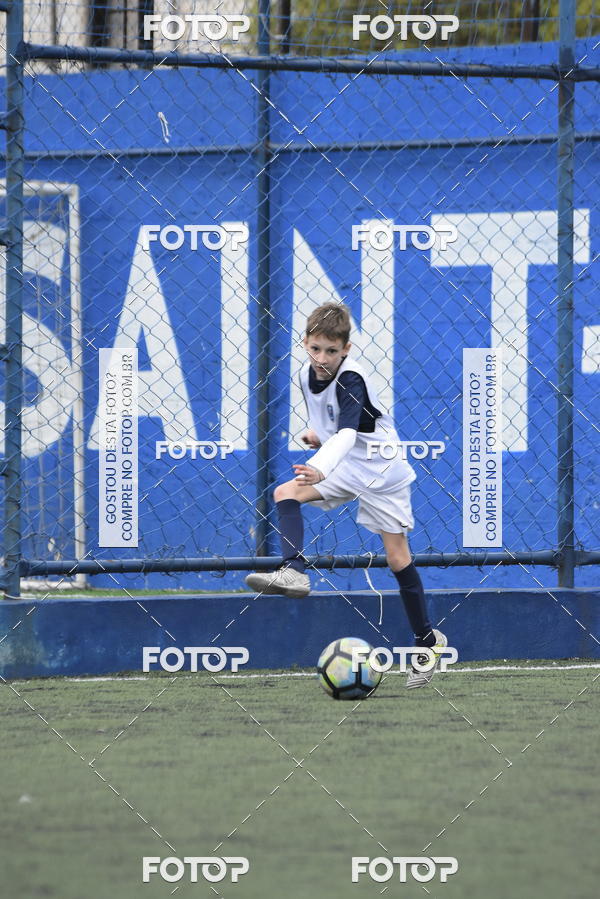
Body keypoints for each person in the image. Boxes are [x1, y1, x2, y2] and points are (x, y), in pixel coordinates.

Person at [245, 302, 447, 688]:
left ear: (347, 349)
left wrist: (321, 463)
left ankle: (427, 642)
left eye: (332, 351)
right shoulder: (306, 375)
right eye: (316, 348)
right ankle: (294, 572)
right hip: (345, 461)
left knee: (397, 557)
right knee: (285, 493)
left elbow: (351, 432)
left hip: (381, 467)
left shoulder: (352, 379)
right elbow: (335, 425)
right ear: (305, 342)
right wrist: (317, 436)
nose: (322, 358)